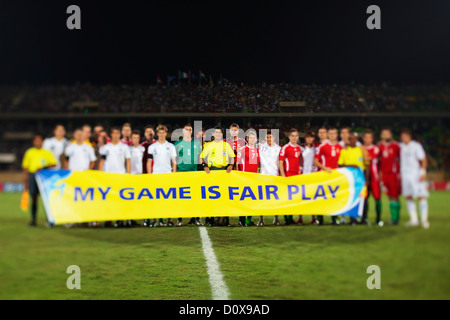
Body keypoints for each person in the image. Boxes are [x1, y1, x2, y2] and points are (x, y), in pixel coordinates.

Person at [201, 126, 235, 227]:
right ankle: (211, 219)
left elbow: (232, 157)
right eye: (216, 132)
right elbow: (202, 158)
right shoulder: (208, 145)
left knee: (225, 195)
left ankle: (226, 220)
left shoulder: (226, 145)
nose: (218, 134)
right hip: (212, 171)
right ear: (213, 134)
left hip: (224, 171)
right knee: (213, 196)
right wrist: (205, 166)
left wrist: (230, 165)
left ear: (222, 134)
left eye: (219, 133)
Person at [99, 127, 131, 228]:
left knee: (120, 200)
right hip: (108, 176)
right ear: (111, 135)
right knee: (108, 199)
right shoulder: (106, 148)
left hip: (120, 175)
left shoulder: (124, 147)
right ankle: (108, 220)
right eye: (114, 133)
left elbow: (128, 161)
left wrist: (129, 175)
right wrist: (100, 174)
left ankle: (120, 219)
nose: (116, 135)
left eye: (118, 133)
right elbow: (102, 161)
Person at [22, 134, 57, 226]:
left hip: (44, 177)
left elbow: (53, 164)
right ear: (33, 142)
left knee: (47, 199)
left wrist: (44, 167)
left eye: (40, 140)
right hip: (33, 175)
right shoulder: (29, 152)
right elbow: (25, 167)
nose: (38, 142)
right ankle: (33, 220)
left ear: (42, 142)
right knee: (33, 198)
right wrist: (26, 180)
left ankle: (50, 220)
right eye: (36, 140)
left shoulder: (47, 152)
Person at [147, 125, 177, 227]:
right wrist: (149, 175)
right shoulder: (152, 147)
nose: (161, 134)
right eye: (159, 133)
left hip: (167, 175)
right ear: (157, 134)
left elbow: (174, 162)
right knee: (155, 199)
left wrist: (173, 174)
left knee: (168, 199)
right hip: (156, 175)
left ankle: (169, 220)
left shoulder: (171, 146)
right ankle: (155, 220)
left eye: (163, 133)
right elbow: (149, 162)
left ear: (166, 133)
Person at [399, 129, 430, 229]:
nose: (403, 138)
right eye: (402, 136)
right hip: (405, 175)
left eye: (405, 136)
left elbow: (423, 159)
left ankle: (424, 220)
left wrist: (423, 172)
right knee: (408, 196)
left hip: (416, 175)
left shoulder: (416, 146)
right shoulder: (401, 146)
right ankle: (414, 219)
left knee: (421, 196)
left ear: (409, 136)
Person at [174, 124, 203, 227]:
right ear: (183, 132)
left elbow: (200, 157)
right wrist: (174, 172)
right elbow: (174, 159)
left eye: (189, 130)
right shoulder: (177, 144)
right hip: (181, 173)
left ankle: (197, 218)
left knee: (195, 197)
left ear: (191, 132)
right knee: (181, 197)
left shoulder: (196, 143)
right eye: (186, 129)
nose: (188, 131)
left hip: (194, 173)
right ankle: (179, 219)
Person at [338, 132, 369, 225]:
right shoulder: (344, 150)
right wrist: (351, 165)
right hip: (350, 179)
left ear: (357, 140)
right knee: (352, 198)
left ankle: (364, 218)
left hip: (361, 179)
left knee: (364, 198)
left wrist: (367, 180)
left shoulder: (361, 150)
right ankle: (353, 219)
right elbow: (340, 164)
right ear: (348, 140)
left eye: (354, 138)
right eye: (350, 138)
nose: (352, 140)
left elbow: (367, 165)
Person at [314, 127, 342, 225]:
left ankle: (334, 219)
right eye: (330, 133)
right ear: (328, 135)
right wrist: (325, 168)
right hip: (324, 175)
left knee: (334, 197)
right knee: (321, 197)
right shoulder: (322, 147)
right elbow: (315, 161)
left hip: (335, 176)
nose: (332, 135)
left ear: (337, 135)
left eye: (334, 133)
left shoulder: (340, 147)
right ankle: (319, 219)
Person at [279, 128, 303, 225]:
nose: (294, 137)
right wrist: (283, 175)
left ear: (298, 137)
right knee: (287, 198)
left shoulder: (300, 148)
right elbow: (281, 162)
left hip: (297, 175)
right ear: (289, 137)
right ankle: (286, 219)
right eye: (292, 136)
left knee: (294, 198)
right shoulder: (285, 148)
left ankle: (291, 218)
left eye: (296, 136)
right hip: (288, 175)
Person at [236, 130, 260, 226]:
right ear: (247, 139)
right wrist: (238, 175)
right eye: (251, 138)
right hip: (244, 178)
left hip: (253, 178)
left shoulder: (257, 150)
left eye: (254, 138)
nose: (253, 139)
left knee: (252, 200)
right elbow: (237, 163)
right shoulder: (242, 149)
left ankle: (248, 220)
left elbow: (256, 165)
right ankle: (241, 220)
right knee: (243, 199)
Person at [378, 128, 401, 225]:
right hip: (384, 174)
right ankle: (393, 218)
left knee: (395, 195)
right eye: (383, 134)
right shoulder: (380, 146)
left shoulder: (396, 146)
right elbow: (378, 161)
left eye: (387, 133)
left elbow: (401, 159)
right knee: (389, 196)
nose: (385, 135)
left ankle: (395, 218)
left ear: (391, 135)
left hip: (394, 174)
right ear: (381, 135)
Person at [259, 130, 282, 225]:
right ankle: (261, 219)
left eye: (271, 137)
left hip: (275, 176)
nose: (269, 139)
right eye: (267, 137)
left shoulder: (279, 148)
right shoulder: (260, 147)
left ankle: (276, 218)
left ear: (274, 138)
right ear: (265, 138)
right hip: (263, 176)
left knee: (276, 199)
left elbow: (280, 162)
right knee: (262, 199)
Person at [362, 129, 383, 226]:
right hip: (363, 177)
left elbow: (367, 158)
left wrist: (362, 154)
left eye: (369, 137)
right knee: (364, 198)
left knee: (377, 198)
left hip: (374, 177)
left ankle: (378, 219)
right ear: (363, 138)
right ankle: (364, 218)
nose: (367, 139)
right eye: (366, 137)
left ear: (372, 139)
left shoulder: (375, 148)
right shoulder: (360, 148)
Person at [301, 132, 319, 225]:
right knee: (301, 198)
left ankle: (313, 218)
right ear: (305, 139)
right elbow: (300, 162)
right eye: (307, 137)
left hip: (314, 177)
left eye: (311, 137)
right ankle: (300, 218)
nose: (309, 139)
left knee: (313, 198)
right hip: (304, 176)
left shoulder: (316, 150)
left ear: (313, 139)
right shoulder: (302, 149)